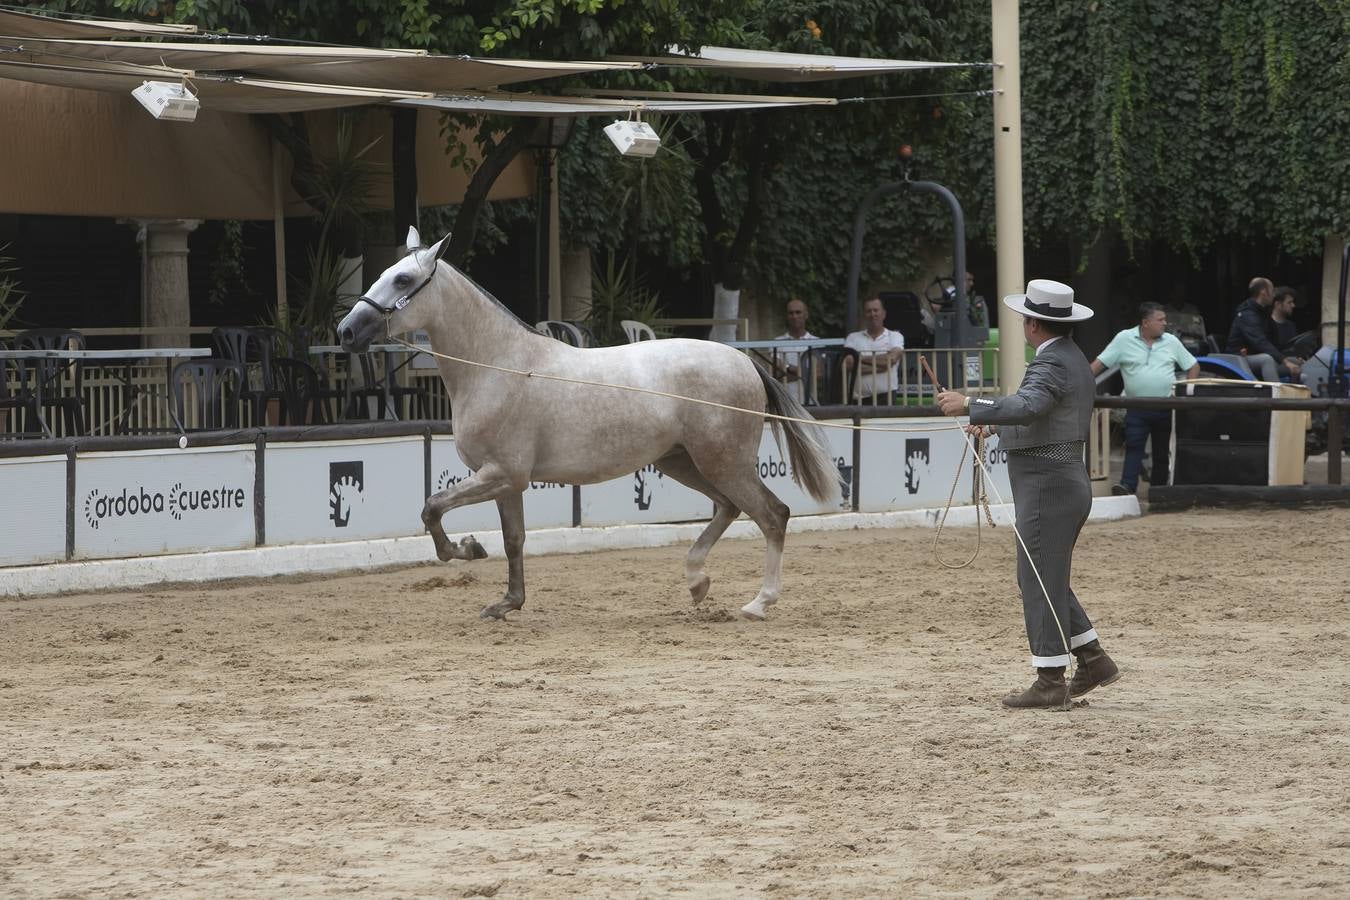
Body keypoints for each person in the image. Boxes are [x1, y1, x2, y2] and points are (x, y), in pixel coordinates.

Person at [936, 279, 1121, 709]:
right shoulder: (1069, 359)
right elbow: (1042, 414)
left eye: (1024, 318)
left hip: (1047, 484)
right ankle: (1092, 659)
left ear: (1034, 324)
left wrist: (972, 405)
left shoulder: (1051, 363)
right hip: (1060, 480)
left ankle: (1051, 678)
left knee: (1037, 579)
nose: (1022, 323)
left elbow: (1031, 405)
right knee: (1043, 577)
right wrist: (996, 423)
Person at [1091, 302, 1200, 496]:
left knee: (1162, 452)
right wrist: (1081, 383)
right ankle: (1127, 487)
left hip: (1166, 405)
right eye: (1160, 320)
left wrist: (1187, 392)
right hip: (1136, 405)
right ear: (1145, 323)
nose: (1165, 323)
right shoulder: (1124, 339)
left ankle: (1158, 492)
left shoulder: (1171, 341)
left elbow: (1193, 365)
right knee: (1134, 447)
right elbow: (1099, 365)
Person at [1226, 277, 1301, 381]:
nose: (1274, 295)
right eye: (1272, 291)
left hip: (1255, 355)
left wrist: (1289, 357)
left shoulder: (1263, 312)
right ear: (1264, 292)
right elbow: (1260, 341)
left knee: (1297, 362)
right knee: (1267, 359)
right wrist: (1285, 362)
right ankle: (1275, 395)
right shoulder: (1247, 314)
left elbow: (1273, 340)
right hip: (1239, 357)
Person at [843, 296, 905, 404]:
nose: (872, 314)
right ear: (864, 315)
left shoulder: (894, 336)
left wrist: (859, 357)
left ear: (884, 314)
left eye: (876, 310)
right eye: (868, 311)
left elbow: (891, 359)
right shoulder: (853, 338)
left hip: (886, 398)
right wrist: (881, 367)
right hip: (858, 400)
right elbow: (848, 364)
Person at [772, 298, 818, 403]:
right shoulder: (776, 342)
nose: (794, 316)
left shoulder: (816, 342)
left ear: (806, 315)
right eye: (791, 313)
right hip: (784, 403)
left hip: (811, 403)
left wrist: (787, 369)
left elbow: (818, 373)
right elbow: (775, 374)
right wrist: (805, 373)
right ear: (787, 316)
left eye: (798, 312)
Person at [1268, 286, 1299, 352]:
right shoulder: (1266, 325)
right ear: (1278, 304)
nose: (1293, 305)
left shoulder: (1291, 325)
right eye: (1289, 302)